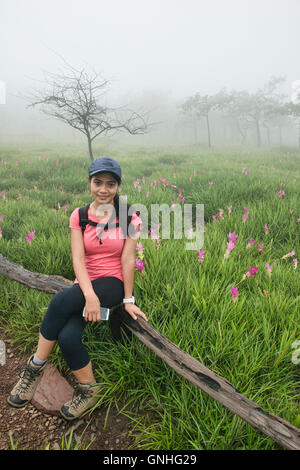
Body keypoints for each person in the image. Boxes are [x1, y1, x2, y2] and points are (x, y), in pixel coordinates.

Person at [8, 156, 147, 421]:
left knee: (60, 302)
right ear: (89, 183)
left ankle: (34, 368)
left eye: (110, 183)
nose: (103, 189)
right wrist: (89, 295)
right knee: (68, 337)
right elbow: (78, 259)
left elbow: (128, 260)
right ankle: (89, 389)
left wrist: (128, 299)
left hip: (113, 283)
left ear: (118, 186)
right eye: (98, 182)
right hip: (85, 283)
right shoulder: (80, 216)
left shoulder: (131, 216)